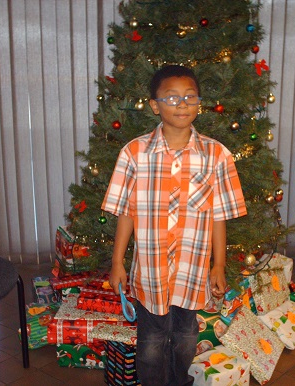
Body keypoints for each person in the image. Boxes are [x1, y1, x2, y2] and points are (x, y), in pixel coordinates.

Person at [102, 65, 247, 386]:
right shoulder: (134, 153)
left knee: (185, 337)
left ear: (199, 102)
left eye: (189, 97)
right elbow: (126, 212)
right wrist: (117, 262)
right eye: (171, 97)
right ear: (155, 105)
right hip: (150, 271)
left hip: (191, 272)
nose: (182, 104)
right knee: (151, 342)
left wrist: (219, 265)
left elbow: (219, 215)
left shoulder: (217, 155)